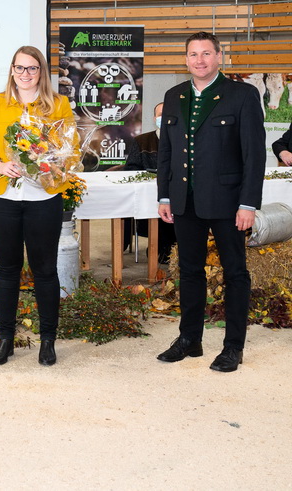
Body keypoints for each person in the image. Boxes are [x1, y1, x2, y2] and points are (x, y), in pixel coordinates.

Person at [156, 31, 265, 372]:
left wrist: (248, 204)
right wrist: (164, 195)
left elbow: (254, 155)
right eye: (193, 54)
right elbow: (167, 152)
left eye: (206, 53)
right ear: (185, 59)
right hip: (185, 201)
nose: (199, 60)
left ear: (219, 56)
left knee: (235, 273)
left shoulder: (242, 95)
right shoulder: (174, 96)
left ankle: (233, 346)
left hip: (229, 202)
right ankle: (190, 339)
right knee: (189, 272)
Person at [0, 45, 79, 367]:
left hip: (43, 199)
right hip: (3, 198)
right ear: (12, 71)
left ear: (41, 73)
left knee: (45, 270)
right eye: (20, 68)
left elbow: (70, 151)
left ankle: (48, 340)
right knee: (7, 270)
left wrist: (47, 163)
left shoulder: (58, 104)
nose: (25, 74)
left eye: (32, 69)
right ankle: (6, 338)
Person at [123, 102, 176, 263]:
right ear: (154, 118)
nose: (164, 118)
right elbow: (131, 169)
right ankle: (161, 249)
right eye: (160, 115)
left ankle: (173, 249)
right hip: (148, 196)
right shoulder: (142, 141)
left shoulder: (185, 142)